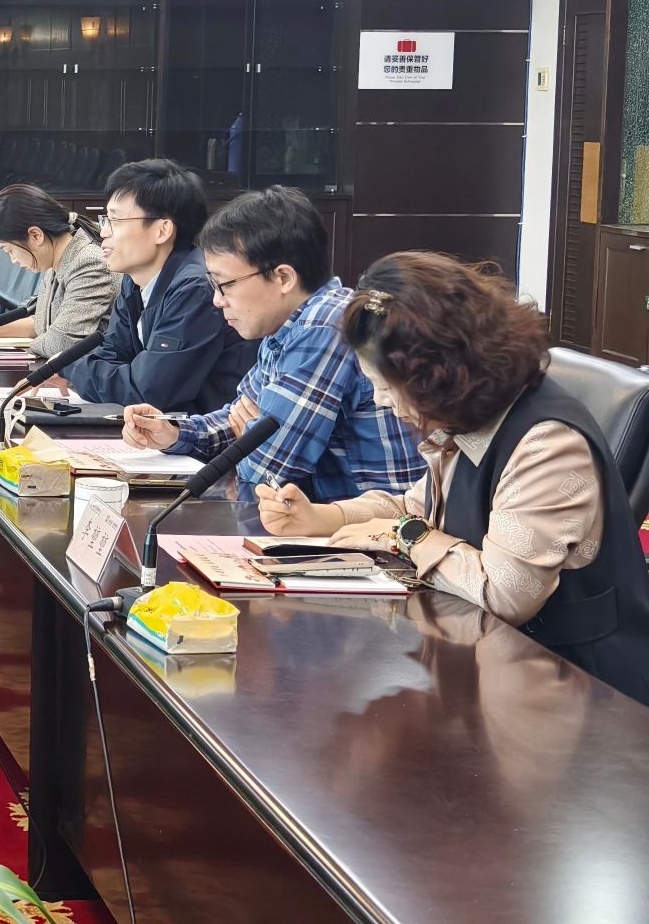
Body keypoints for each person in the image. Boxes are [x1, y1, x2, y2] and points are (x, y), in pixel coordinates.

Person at [257, 251, 649, 704]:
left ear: (435, 373)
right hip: (490, 666)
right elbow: (418, 506)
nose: (381, 401)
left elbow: (506, 593)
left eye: (385, 386)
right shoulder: (473, 413)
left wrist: (404, 536)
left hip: (576, 691)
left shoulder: (546, 443)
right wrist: (321, 518)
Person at [123, 187, 423, 500]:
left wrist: (248, 430)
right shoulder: (288, 322)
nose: (217, 300)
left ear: (283, 278)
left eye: (224, 285)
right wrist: (174, 433)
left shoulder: (324, 325)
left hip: (381, 521)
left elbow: (268, 471)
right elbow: (237, 416)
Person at [61, 159, 255, 413]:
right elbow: (112, 353)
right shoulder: (135, 281)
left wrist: (70, 369)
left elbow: (151, 391)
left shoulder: (196, 289)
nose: (103, 232)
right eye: (105, 219)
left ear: (162, 230)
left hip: (207, 431)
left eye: (115, 221)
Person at [0, 184, 116, 357]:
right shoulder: (57, 261)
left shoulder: (88, 264)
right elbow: (42, 325)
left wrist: (30, 345)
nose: (13, 260)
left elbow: (61, 343)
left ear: (36, 235)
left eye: (9, 250)